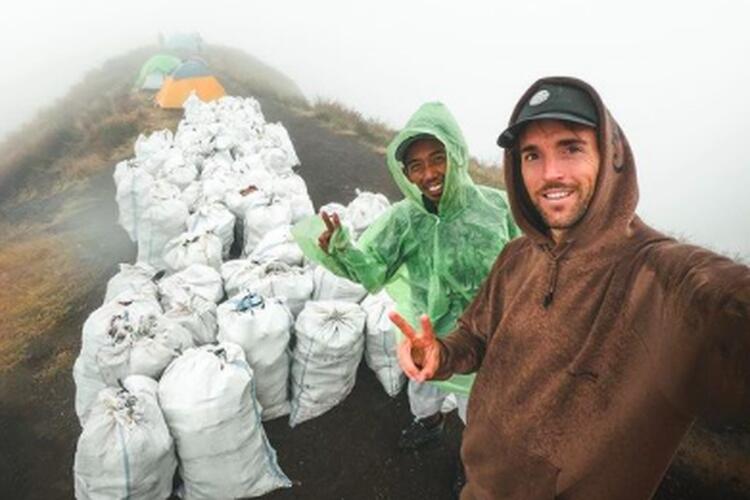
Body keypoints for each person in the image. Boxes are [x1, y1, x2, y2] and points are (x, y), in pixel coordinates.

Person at [390, 77, 750, 499]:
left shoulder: (662, 280)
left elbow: (728, 309)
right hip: (481, 487)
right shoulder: (517, 258)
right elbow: (476, 336)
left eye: (571, 147)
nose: (550, 173)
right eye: (532, 155)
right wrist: (443, 354)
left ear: (611, 155)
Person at [292, 102, 518, 476]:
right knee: (424, 393)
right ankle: (429, 425)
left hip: (482, 341)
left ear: (456, 154)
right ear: (407, 174)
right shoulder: (403, 219)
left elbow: (533, 266)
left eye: (437, 158)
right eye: (415, 166)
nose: (428, 173)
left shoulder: (498, 210)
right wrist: (342, 248)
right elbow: (373, 271)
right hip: (423, 333)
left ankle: (474, 463)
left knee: (479, 414)